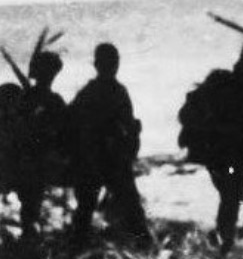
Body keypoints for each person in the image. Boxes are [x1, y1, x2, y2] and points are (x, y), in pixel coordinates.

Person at [179, 40, 243, 247]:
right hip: (223, 152)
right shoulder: (233, 86)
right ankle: (224, 239)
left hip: (219, 153)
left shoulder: (226, 81)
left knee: (231, 195)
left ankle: (223, 237)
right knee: (232, 195)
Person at [68, 43, 149, 244]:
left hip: (93, 157)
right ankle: (144, 245)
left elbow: (70, 121)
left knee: (86, 208)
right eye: (112, 62)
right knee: (129, 207)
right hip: (110, 158)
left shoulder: (88, 92)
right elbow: (129, 127)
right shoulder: (117, 91)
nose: (113, 66)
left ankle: (78, 247)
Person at [6, 49, 70, 236]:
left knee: (30, 207)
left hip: (27, 161)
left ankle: (28, 237)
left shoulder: (25, 99)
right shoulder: (52, 101)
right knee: (31, 207)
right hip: (36, 162)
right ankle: (29, 241)